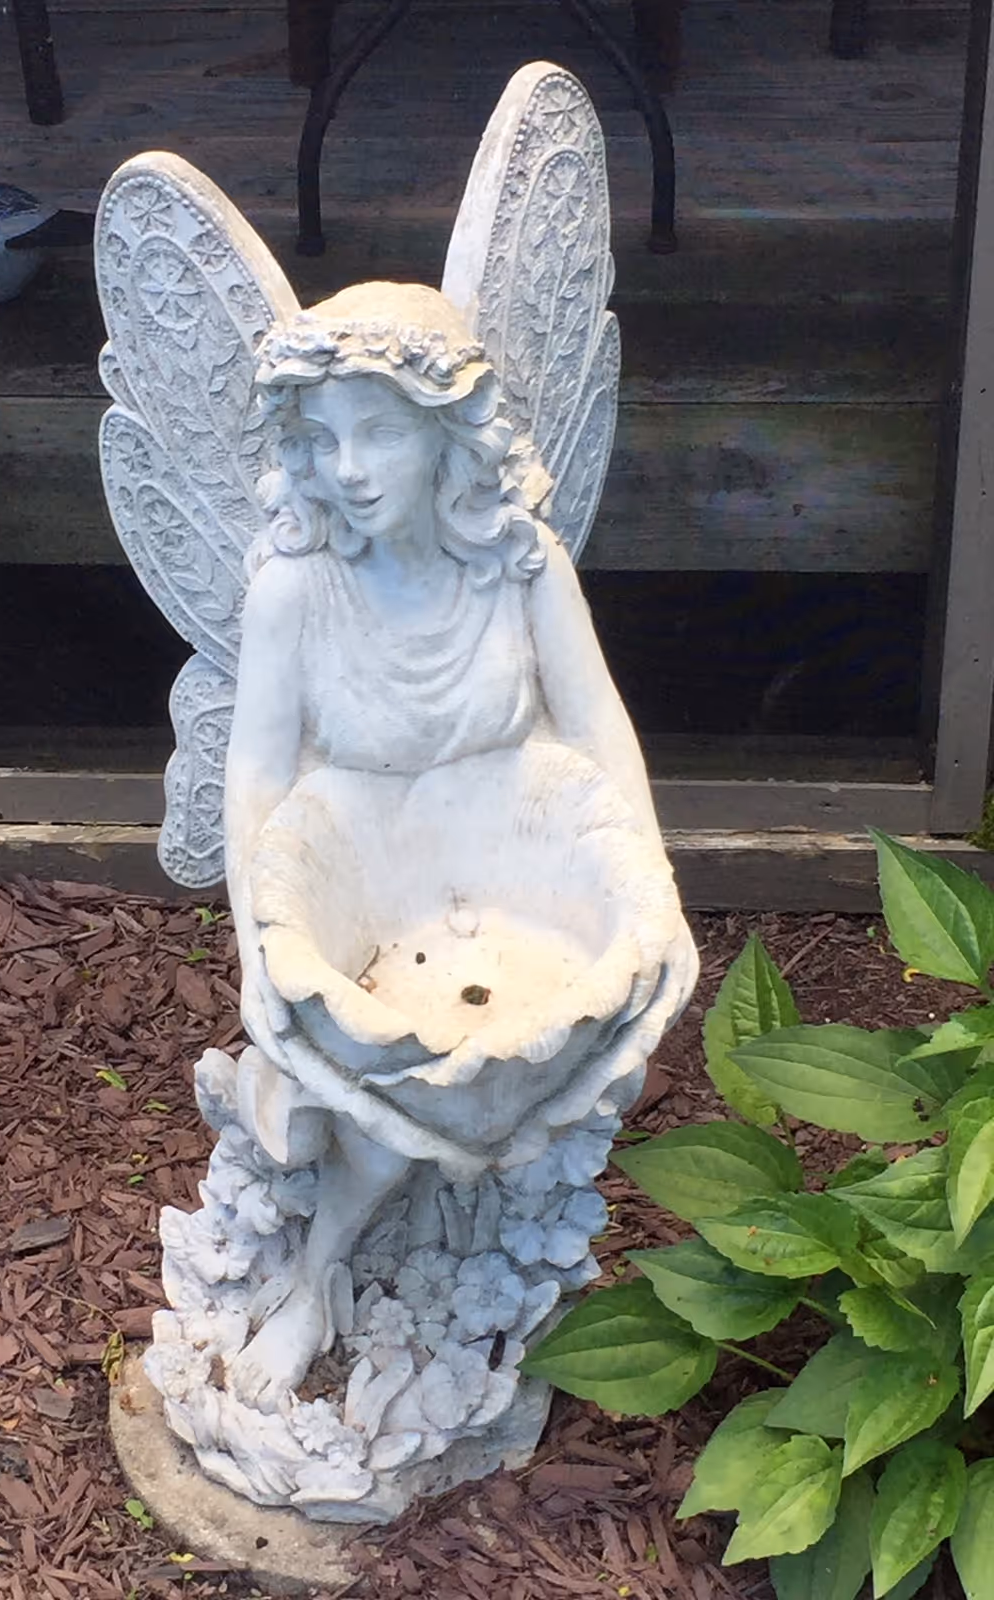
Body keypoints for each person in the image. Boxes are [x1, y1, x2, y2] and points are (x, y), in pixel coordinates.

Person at [216, 281, 693, 1408]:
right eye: (323, 438)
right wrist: (259, 959)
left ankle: (482, 1257)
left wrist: (655, 890)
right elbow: (258, 776)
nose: (351, 468)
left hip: (513, 861)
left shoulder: (520, 564)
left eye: (381, 429)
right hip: (359, 878)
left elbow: (593, 725)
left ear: (447, 430)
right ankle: (320, 1272)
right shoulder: (296, 588)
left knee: (517, 1054)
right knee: (389, 1086)